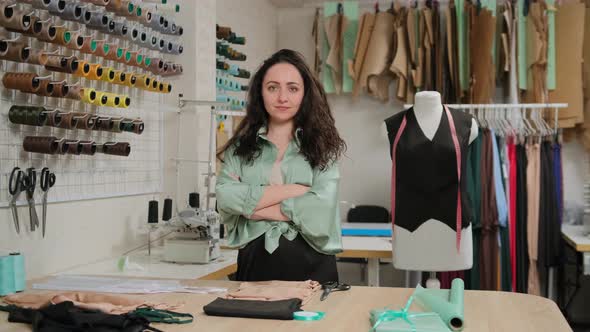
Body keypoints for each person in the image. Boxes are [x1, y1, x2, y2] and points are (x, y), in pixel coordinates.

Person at [216, 49, 346, 283]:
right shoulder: (240, 149)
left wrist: (251, 210)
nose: (282, 98)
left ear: (305, 94)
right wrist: (296, 191)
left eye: (292, 88)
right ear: (260, 93)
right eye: (273, 87)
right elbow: (224, 198)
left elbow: (322, 209)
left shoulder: (323, 148)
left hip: (314, 268)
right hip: (255, 265)